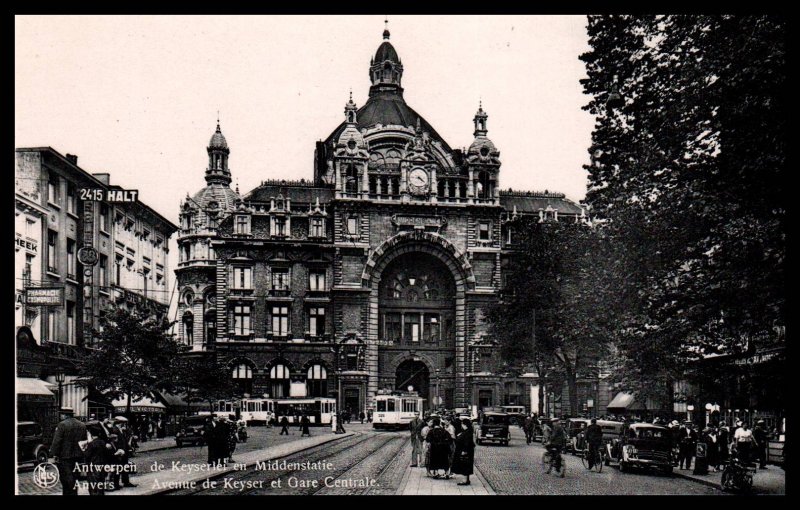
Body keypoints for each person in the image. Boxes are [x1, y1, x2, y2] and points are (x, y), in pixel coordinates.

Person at [50, 407, 88, 496]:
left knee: (65, 479)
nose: (61, 416)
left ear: (65, 415)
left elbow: (57, 441)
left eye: (61, 414)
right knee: (75, 477)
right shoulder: (82, 425)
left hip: (65, 457)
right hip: (78, 456)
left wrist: (54, 454)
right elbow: (84, 441)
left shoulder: (62, 425)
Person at [84, 422, 111, 496]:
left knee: (93, 485)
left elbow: (87, 455)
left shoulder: (91, 444)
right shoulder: (102, 442)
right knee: (100, 484)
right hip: (102, 466)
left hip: (93, 466)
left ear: (91, 434)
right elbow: (107, 454)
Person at [452, 417, 475, 486]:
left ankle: (465, 480)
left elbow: (467, 443)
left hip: (465, 451)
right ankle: (467, 479)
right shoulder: (467, 431)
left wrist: (464, 451)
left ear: (465, 425)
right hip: (467, 451)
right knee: (466, 464)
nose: (461, 425)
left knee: (464, 465)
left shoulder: (467, 432)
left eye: (462, 424)